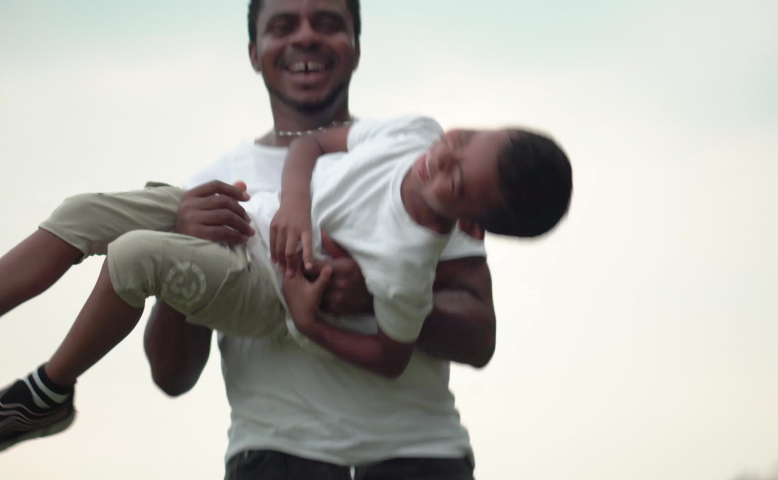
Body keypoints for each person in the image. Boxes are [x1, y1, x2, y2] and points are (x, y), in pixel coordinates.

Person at [0, 114, 572, 452]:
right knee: (82, 213)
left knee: (133, 257)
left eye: (457, 183)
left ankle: (47, 394)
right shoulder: (414, 133)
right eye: (465, 139)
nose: (443, 158)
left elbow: (391, 355)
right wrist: (295, 201)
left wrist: (309, 323)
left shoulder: (407, 265)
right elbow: (310, 144)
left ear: (470, 224)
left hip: (265, 288)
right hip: (255, 216)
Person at [145, 0, 510, 478]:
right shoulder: (211, 187)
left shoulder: (423, 166)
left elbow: (479, 336)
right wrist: (181, 254)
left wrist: (373, 295)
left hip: (421, 454)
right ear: (254, 53)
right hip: (273, 456)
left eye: (327, 23)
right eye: (282, 26)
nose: (305, 37)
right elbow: (172, 376)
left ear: (355, 48)